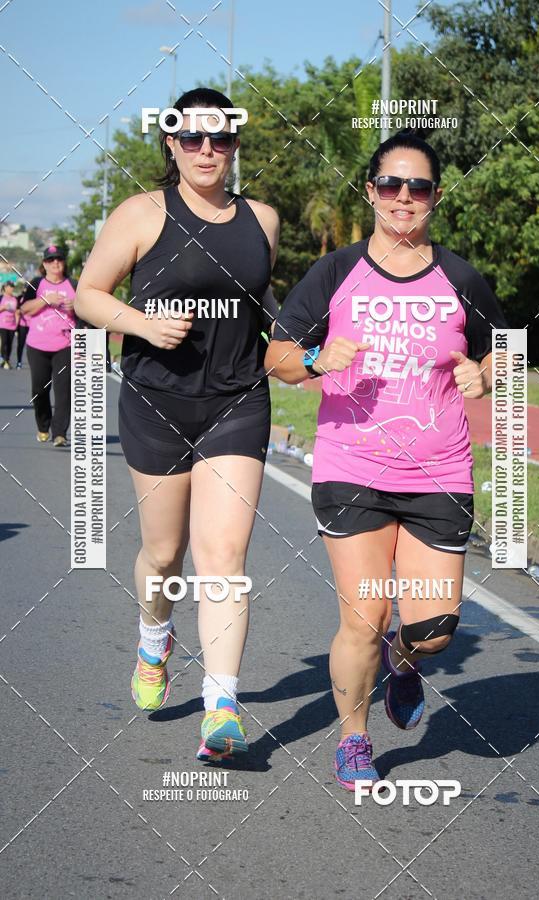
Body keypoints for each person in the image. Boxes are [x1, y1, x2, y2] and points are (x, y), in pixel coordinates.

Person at [266, 132, 507, 791]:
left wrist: (487, 376)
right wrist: (317, 359)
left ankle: (405, 663)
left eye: (419, 186)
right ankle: (353, 738)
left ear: (434, 197)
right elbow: (277, 356)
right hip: (353, 467)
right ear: (371, 192)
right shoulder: (336, 272)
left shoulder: (460, 277)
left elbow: (505, 350)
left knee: (433, 628)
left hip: (440, 471)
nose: (405, 198)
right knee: (363, 616)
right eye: (392, 185)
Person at [75, 88, 279, 762]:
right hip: (157, 399)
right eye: (190, 137)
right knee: (164, 555)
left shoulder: (264, 221)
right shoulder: (141, 213)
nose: (205, 150)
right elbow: (88, 294)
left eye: (218, 138)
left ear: (234, 144)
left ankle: (221, 707)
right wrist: (142, 324)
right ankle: (153, 638)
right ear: (170, 144)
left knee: (223, 557)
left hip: (237, 402)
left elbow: (266, 318)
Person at [20, 246, 77, 446]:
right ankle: (43, 426)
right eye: (51, 260)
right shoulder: (36, 284)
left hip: (66, 345)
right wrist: (45, 300)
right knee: (39, 389)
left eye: (59, 259)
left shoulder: (74, 284)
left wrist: (76, 306)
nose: (55, 263)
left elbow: (89, 310)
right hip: (37, 345)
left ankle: (60, 433)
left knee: (64, 390)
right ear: (44, 264)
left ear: (64, 262)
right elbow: (25, 309)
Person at [0, 281, 18, 369]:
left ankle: (7, 359)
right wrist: (3, 308)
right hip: (2, 324)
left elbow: (17, 312)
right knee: (4, 342)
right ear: (5, 288)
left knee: (10, 344)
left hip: (12, 325)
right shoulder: (1, 298)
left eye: (12, 287)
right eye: (10, 287)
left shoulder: (14, 299)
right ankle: (4, 359)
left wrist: (17, 324)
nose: (11, 289)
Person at [15, 285, 30, 369]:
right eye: (26, 288)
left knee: (32, 346)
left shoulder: (35, 297)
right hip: (22, 324)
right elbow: (17, 310)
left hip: (32, 325)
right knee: (21, 344)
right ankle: (19, 361)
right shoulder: (20, 298)